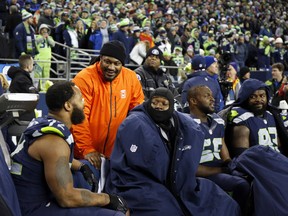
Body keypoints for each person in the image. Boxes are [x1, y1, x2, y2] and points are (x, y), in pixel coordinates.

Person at [105, 87, 240, 216]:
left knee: (221, 201)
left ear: (170, 108)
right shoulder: (135, 123)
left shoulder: (180, 123)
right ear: (148, 103)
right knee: (168, 210)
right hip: (137, 182)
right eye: (155, 102)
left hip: (178, 182)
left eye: (164, 104)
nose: (158, 106)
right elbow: (149, 166)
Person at [10, 81, 129, 216]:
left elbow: (51, 160)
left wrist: (81, 167)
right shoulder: (54, 142)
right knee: (117, 214)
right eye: (80, 99)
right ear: (67, 106)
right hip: (34, 209)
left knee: (84, 168)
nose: (84, 103)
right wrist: (107, 199)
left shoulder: (44, 123)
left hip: (27, 197)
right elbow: (67, 198)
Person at [72, 41, 144, 168]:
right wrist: (86, 149)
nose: (111, 67)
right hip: (86, 155)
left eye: (116, 63)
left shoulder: (131, 78)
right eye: (107, 61)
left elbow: (138, 115)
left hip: (117, 154)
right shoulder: (84, 78)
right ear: (100, 59)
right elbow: (78, 117)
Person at [188, 85, 250, 214]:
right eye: (206, 96)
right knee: (241, 185)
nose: (212, 99)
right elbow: (191, 168)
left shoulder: (217, 120)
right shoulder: (187, 125)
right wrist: (223, 170)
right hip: (200, 175)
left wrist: (229, 163)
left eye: (211, 95)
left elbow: (222, 148)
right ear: (193, 101)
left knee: (250, 177)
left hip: (218, 170)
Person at [34, 24, 55, 92]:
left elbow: (53, 44)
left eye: (46, 30)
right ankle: (36, 89)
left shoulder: (50, 37)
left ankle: (45, 89)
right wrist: (43, 37)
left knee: (46, 75)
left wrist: (47, 37)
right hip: (39, 59)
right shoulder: (37, 36)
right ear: (40, 30)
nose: (44, 31)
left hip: (47, 59)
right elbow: (35, 42)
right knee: (37, 75)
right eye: (43, 29)